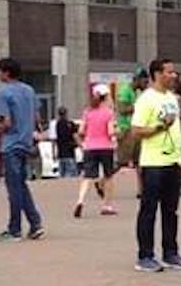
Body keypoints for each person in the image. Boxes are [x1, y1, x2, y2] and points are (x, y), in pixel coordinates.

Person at [132, 58, 181, 272]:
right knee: (149, 209)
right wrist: (158, 127)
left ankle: (170, 252)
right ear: (157, 74)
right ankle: (145, 255)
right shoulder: (146, 99)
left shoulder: (171, 99)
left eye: (174, 72)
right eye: (169, 72)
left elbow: (176, 130)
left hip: (172, 162)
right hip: (153, 163)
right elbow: (136, 130)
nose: (174, 76)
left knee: (171, 210)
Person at [0, 57, 44, 241]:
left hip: (11, 144)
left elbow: (6, 122)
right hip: (26, 142)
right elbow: (37, 116)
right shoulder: (29, 90)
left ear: (6, 72)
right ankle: (35, 223)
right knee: (21, 185)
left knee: (14, 188)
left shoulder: (3, 92)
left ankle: (14, 229)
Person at [75, 84, 118, 218]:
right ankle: (107, 205)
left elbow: (81, 131)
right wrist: (116, 136)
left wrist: (83, 143)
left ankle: (80, 200)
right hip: (106, 147)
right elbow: (111, 131)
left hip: (90, 147)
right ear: (106, 97)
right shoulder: (109, 113)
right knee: (109, 176)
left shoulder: (87, 112)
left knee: (88, 176)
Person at [116, 69, 148, 194]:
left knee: (140, 161)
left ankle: (142, 190)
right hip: (126, 130)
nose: (146, 84)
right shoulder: (125, 91)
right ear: (137, 80)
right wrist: (139, 107)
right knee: (121, 161)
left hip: (136, 129)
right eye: (144, 81)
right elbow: (122, 109)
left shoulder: (137, 93)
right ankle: (102, 181)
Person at [53, 107, 78, 178]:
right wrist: (80, 145)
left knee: (62, 175)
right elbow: (75, 136)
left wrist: (54, 152)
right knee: (71, 175)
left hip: (61, 153)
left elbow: (55, 139)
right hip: (70, 153)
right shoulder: (70, 124)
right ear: (66, 113)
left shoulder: (57, 124)